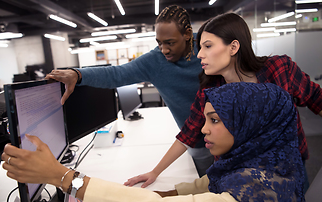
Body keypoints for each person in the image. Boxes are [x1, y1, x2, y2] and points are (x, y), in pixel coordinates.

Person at [2, 82, 306, 202]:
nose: (203, 129)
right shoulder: (270, 163)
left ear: (248, 124)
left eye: (214, 120)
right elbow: (211, 182)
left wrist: (64, 177)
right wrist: (167, 192)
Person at [124, 12, 322, 189]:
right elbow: (188, 134)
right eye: (200, 47)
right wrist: (155, 172)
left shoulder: (279, 69)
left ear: (233, 46)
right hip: (243, 177)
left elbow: (317, 99)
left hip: (288, 168)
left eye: (208, 46)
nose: (199, 54)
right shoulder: (211, 91)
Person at [46, 5, 214, 179]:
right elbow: (116, 74)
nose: (164, 50)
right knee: (209, 189)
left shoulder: (208, 49)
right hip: (196, 142)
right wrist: (78, 74)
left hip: (230, 136)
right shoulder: (154, 61)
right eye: (159, 43)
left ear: (187, 34)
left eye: (170, 42)